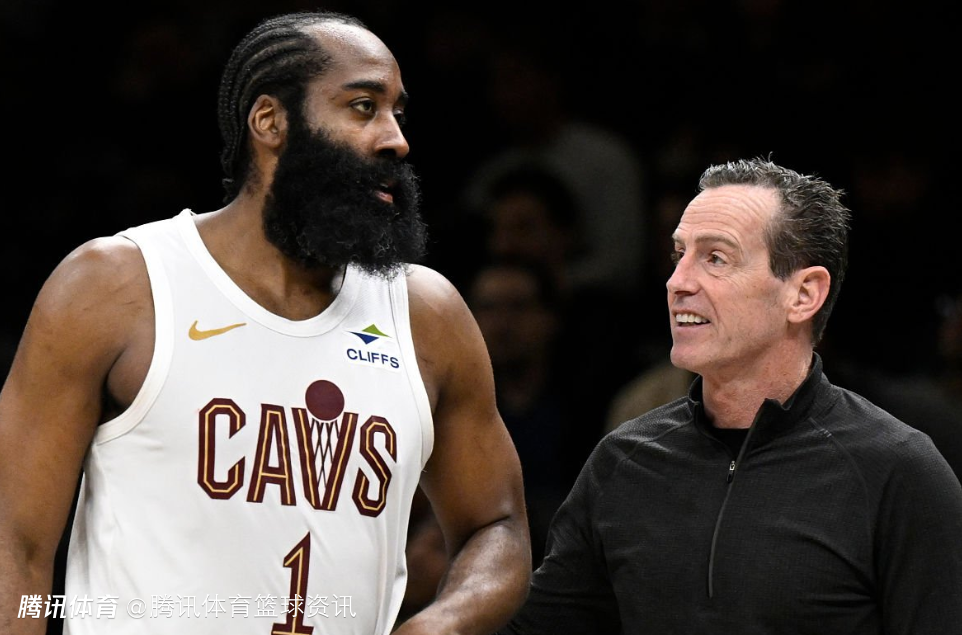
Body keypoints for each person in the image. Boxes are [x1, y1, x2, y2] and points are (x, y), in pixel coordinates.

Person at [0, 10, 530, 635]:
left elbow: (498, 526)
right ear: (270, 121)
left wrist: (437, 626)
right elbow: (15, 545)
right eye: (363, 107)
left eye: (397, 114)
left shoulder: (425, 314)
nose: (395, 139)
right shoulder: (117, 285)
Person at [499, 157, 962, 634]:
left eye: (715, 258)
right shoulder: (623, 461)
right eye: (679, 255)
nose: (677, 282)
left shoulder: (898, 472)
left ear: (804, 294)